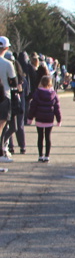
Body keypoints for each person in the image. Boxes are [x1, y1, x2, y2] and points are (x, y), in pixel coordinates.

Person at [25, 74, 61, 162]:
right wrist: (59, 120)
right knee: (48, 137)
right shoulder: (54, 94)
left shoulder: (37, 93)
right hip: (49, 118)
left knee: (40, 137)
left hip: (39, 118)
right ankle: (47, 156)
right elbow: (57, 108)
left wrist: (30, 118)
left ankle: (40, 155)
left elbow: (33, 107)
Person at [0, 37, 18, 168]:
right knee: (1, 128)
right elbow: (14, 82)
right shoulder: (7, 64)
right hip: (3, 96)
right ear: (6, 48)